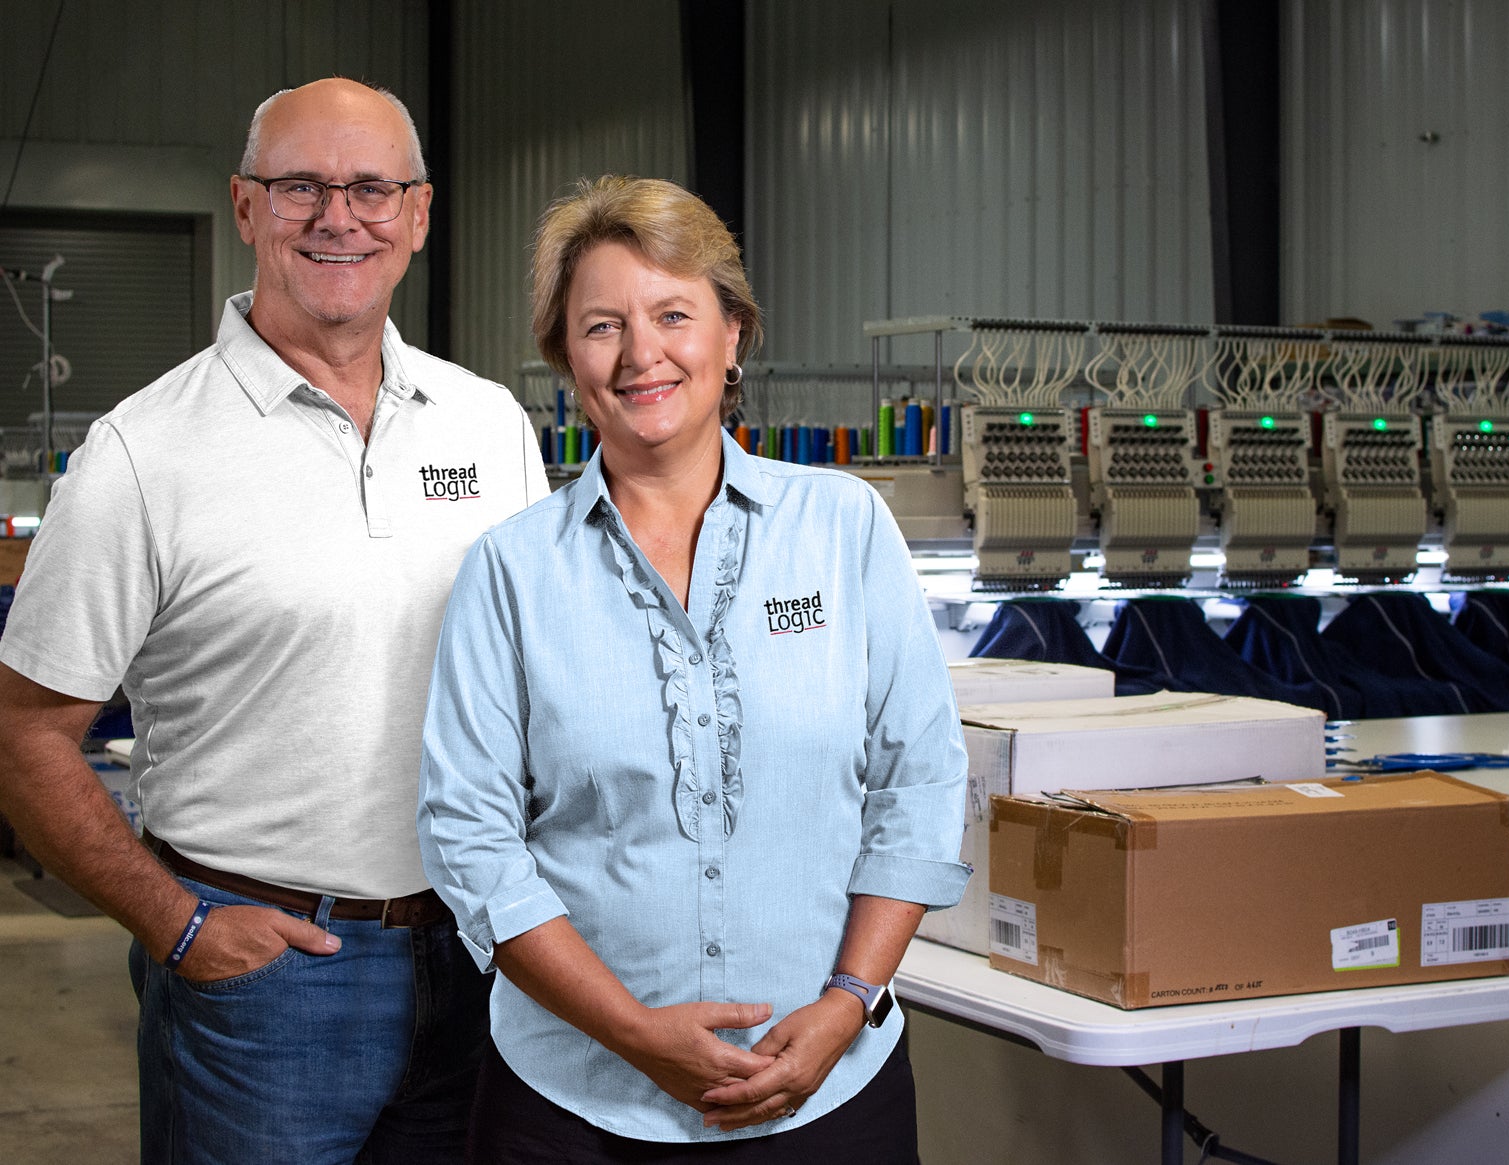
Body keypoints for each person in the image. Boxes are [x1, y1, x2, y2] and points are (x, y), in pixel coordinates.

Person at [0, 78, 549, 1164]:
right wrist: (181, 927)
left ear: (419, 215)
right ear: (247, 207)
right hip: (266, 984)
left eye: (371, 189)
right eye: (301, 186)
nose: (339, 217)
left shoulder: (489, 427)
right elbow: (24, 736)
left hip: (483, 957)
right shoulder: (142, 454)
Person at [416, 175, 969, 1163]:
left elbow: (918, 780)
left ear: (732, 333)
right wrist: (631, 1031)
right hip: (573, 1103)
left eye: (673, 314)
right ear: (565, 358)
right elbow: (470, 835)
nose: (642, 354)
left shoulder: (844, 528)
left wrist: (849, 1000)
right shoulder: (510, 571)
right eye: (602, 327)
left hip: (831, 1090)